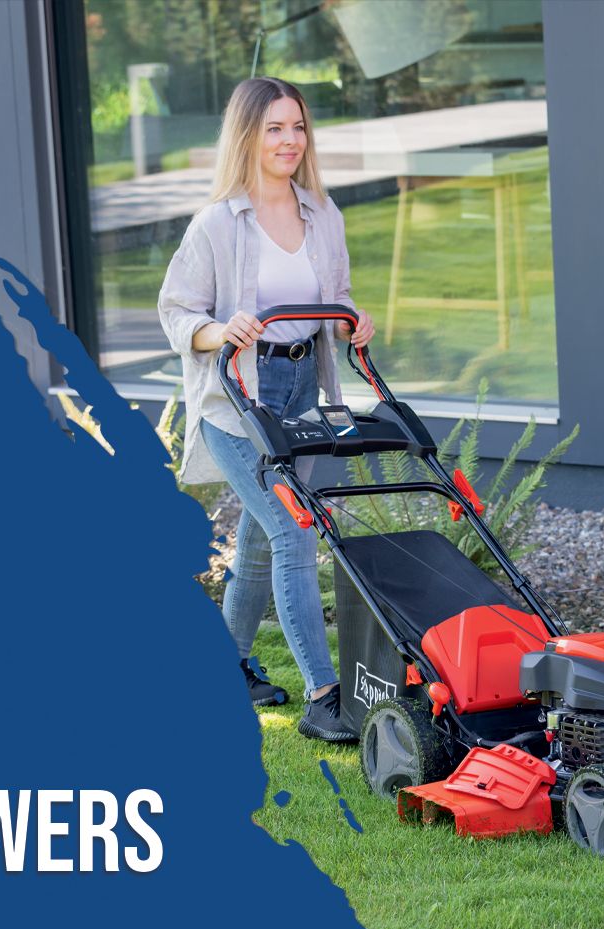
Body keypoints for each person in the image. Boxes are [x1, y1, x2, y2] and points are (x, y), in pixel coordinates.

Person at [157, 77, 375, 742]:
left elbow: (332, 298)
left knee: (259, 541)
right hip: (235, 400)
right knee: (291, 530)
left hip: (303, 390)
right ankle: (323, 696)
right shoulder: (218, 223)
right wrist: (220, 331)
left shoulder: (321, 214)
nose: (289, 140)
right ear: (247, 135)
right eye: (275, 127)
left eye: (298, 127)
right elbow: (175, 312)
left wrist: (353, 320)